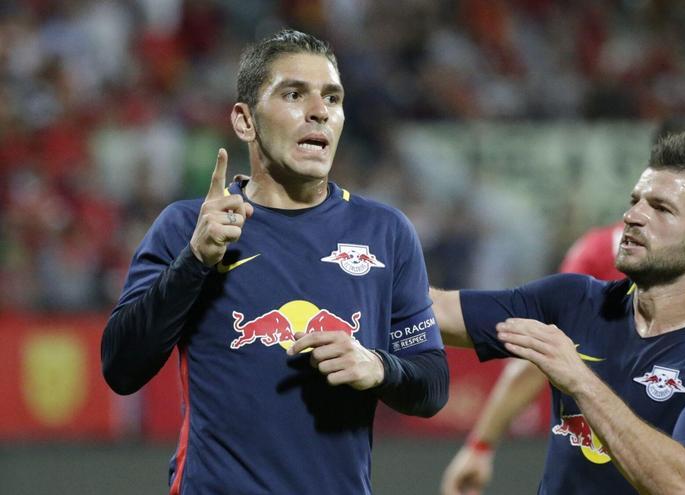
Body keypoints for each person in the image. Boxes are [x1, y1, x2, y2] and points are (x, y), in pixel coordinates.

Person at [101, 29, 448, 494]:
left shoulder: (385, 232)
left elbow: (432, 384)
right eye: (293, 94)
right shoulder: (189, 226)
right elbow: (121, 368)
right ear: (245, 121)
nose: (319, 111)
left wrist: (380, 367)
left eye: (332, 97)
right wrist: (195, 261)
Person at [441, 131, 685, 495]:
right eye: (636, 200)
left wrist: (580, 380)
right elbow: (438, 313)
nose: (632, 215)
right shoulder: (574, 299)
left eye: (661, 208)